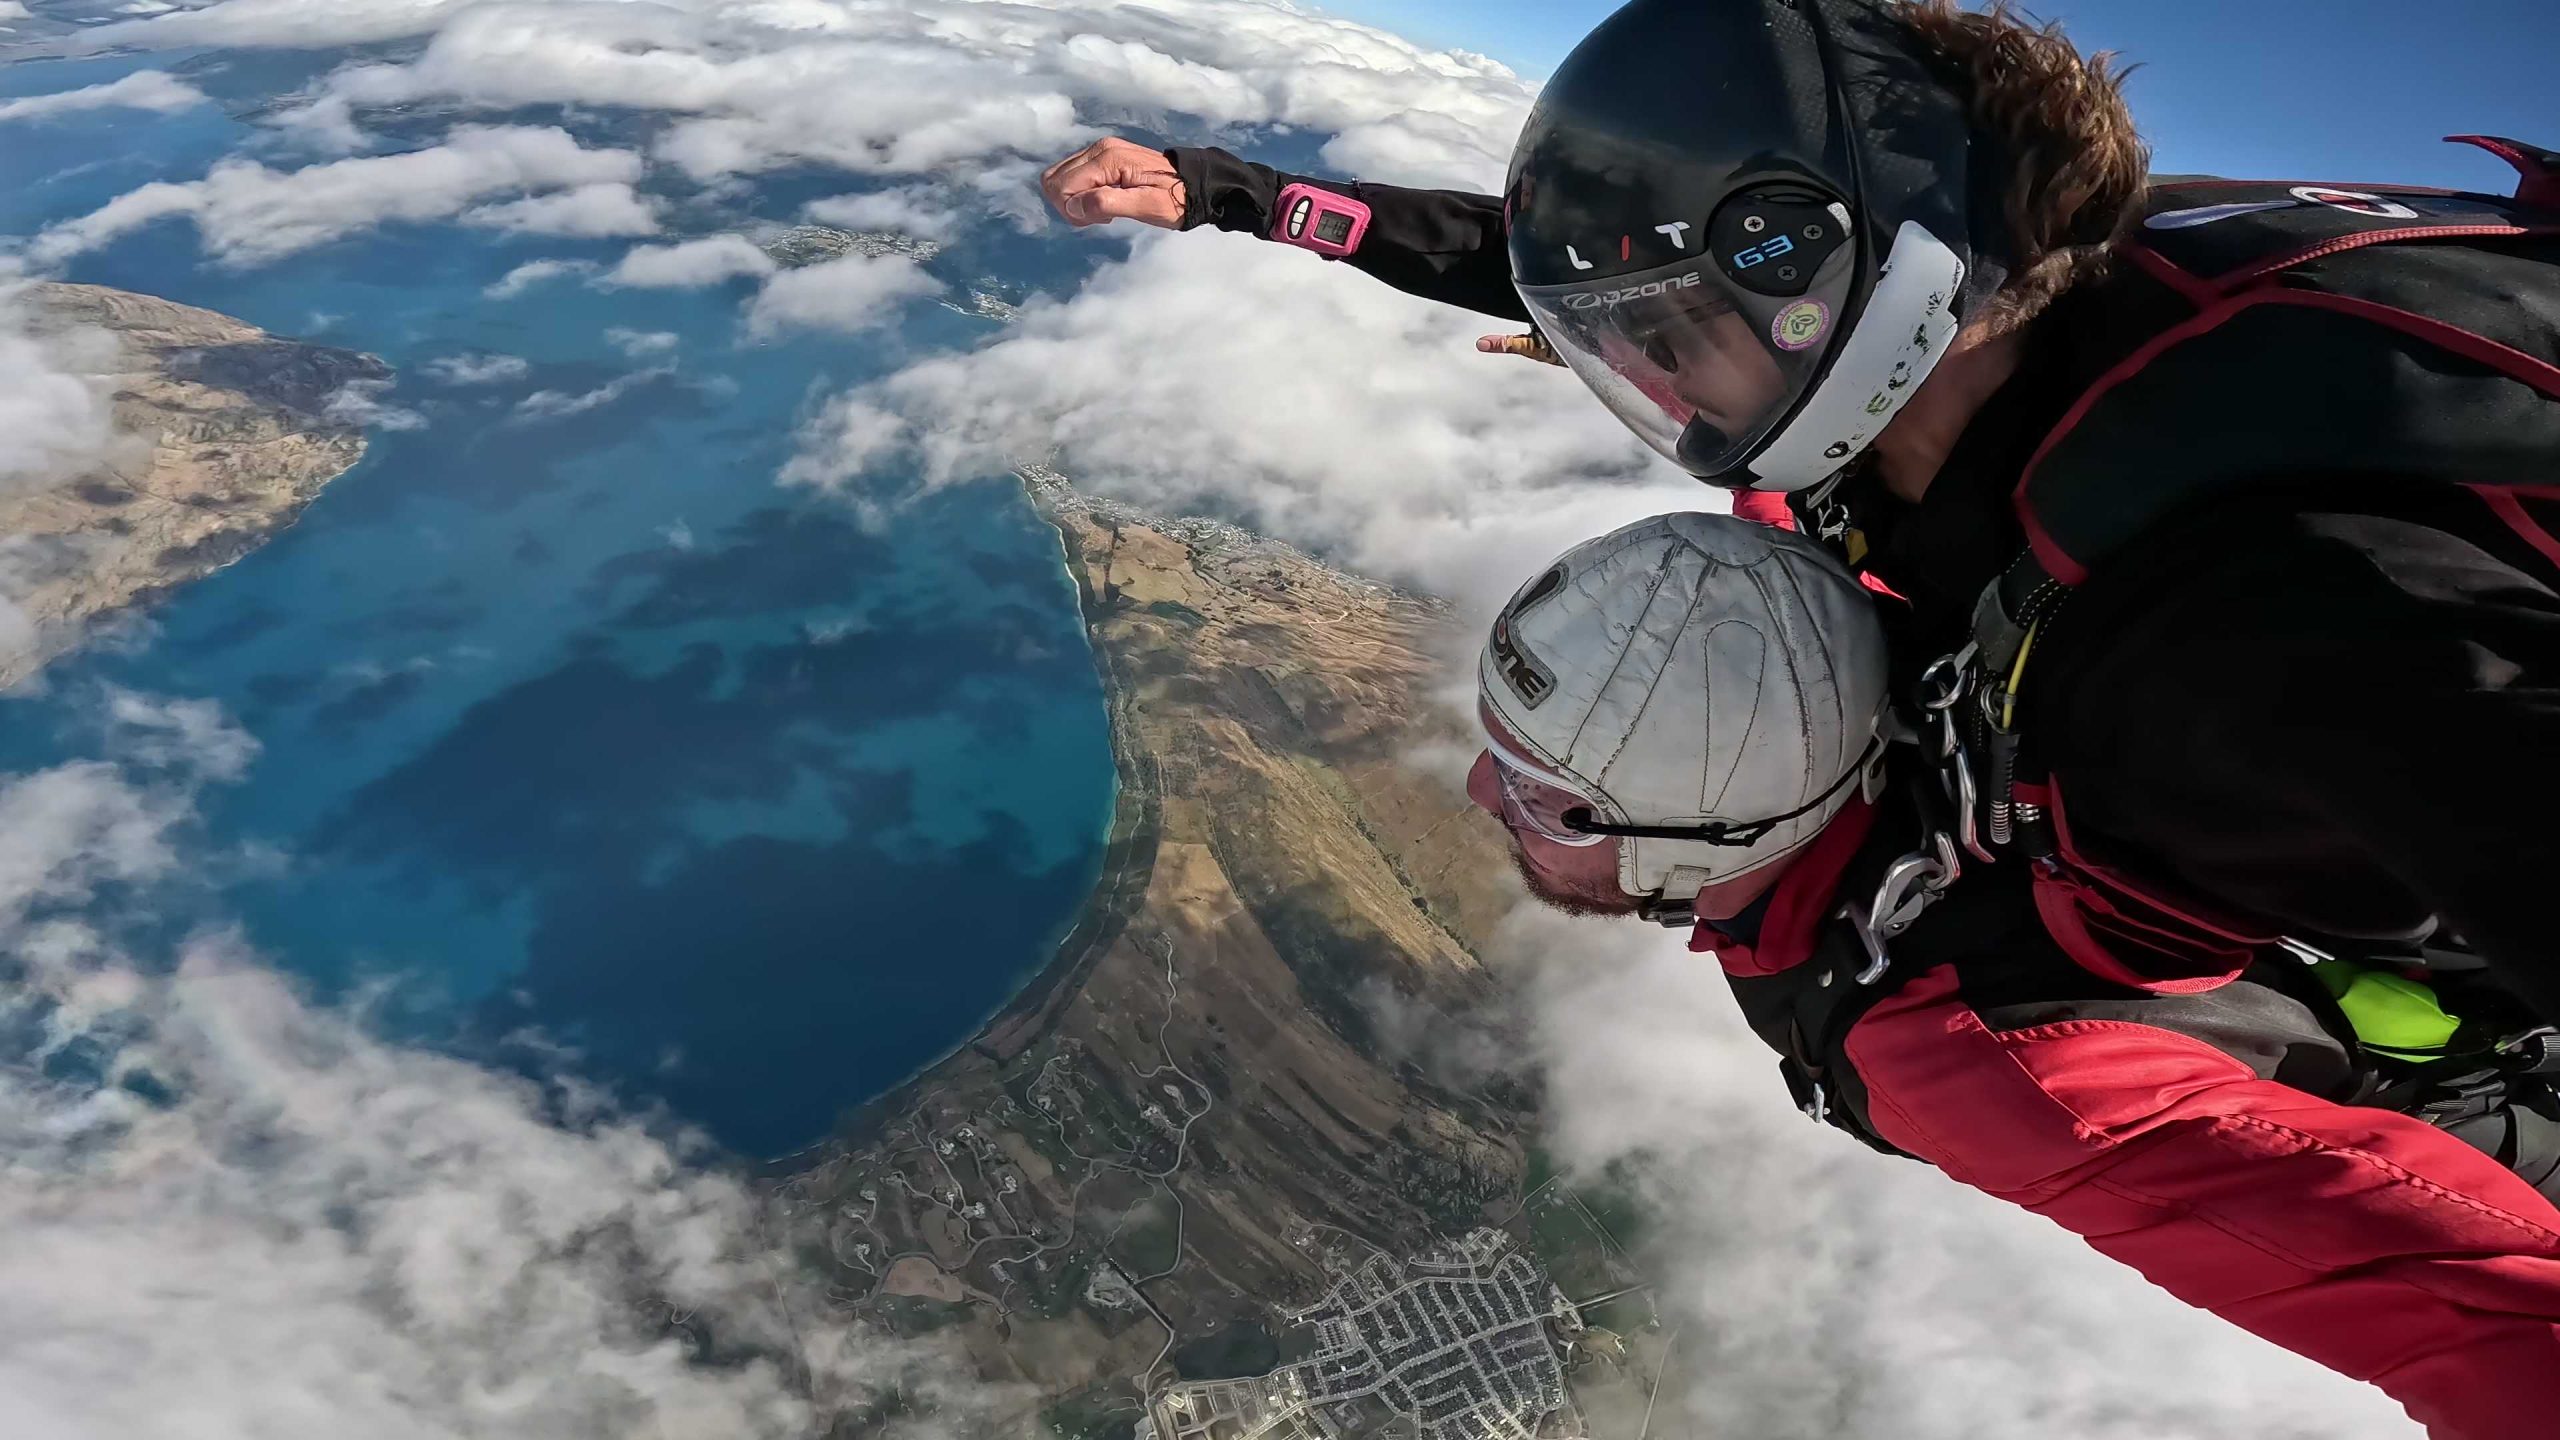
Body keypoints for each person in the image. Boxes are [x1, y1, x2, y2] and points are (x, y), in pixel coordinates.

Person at [1040, 0, 2560, 1029]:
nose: (1640, 370)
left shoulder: (2259, 642)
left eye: (1673, 331)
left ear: (1880, 301)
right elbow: (1547, 258)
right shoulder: (1992, 300)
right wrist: (1229, 190)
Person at [1475, 508, 2560, 1439]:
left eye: (1542, 798)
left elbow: (2493, 1323)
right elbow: (1748, 581)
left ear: (1698, 834)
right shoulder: (1835, 641)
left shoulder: (1973, 1060)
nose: (1481, 791)